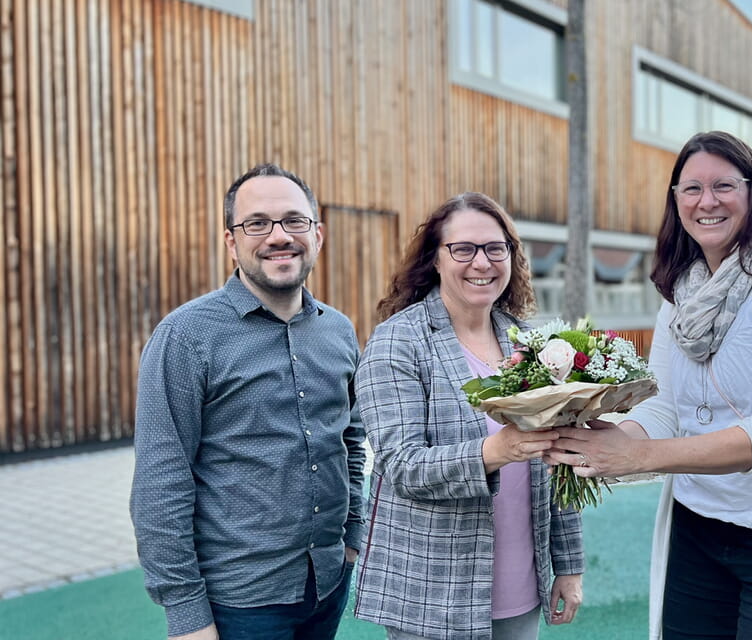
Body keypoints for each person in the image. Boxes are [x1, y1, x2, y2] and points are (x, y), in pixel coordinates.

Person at [548, 131, 752, 639]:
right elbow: (662, 410)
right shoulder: (679, 291)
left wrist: (637, 458)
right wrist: (603, 444)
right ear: (676, 201)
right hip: (699, 531)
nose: (707, 201)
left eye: (724, 185)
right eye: (691, 189)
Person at [130, 163, 365, 640]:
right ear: (231, 241)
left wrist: (352, 536)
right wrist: (186, 614)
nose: (279, 236)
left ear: (317, 234)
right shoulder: (185, 336)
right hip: (239, 598)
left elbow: (350, 441)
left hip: (327, 582)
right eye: (257, 223)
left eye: (294, 221)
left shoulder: (339, 330)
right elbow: (161, 480)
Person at [352, 192, 585, 640]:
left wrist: (569, 564)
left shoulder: (529, 344)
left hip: (521, 585)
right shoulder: (397, 342)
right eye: (464, 249)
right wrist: (492, 452)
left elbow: (563, 463)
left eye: (496, 249)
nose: (482, 263)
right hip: (433, 592)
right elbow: (401, 465)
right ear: (435, 259)